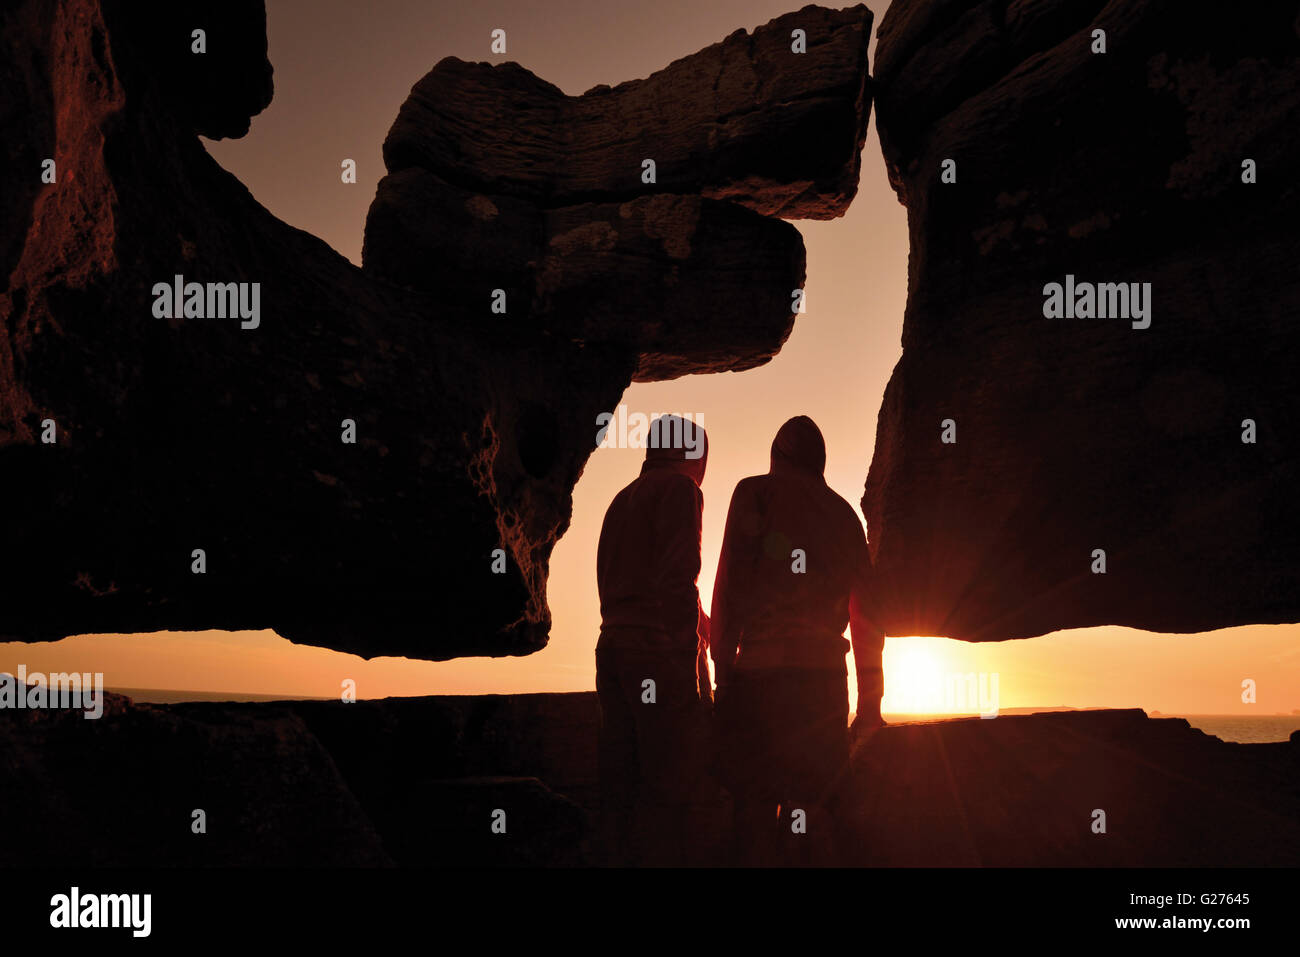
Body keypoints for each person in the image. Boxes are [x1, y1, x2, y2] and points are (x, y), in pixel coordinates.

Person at [710, 415, 883, 865]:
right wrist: (869, 705)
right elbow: (867, 616)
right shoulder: (844, 515)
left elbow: (727, 589)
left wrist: (722, 677)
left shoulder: (755, 493)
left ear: (776, 455)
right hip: (823, 679)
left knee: (755, 805)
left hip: (759, 677)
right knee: (812, 807)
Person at [595, 414, 714, 865]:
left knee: (620, 783)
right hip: (655, 654)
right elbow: (676, 579)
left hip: (613, 648)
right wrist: (688, 658)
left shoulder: (620, 500)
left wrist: (705, 620)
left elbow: (634, 582)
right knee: (671, 784)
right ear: (691, 455)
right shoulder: (681, 491)